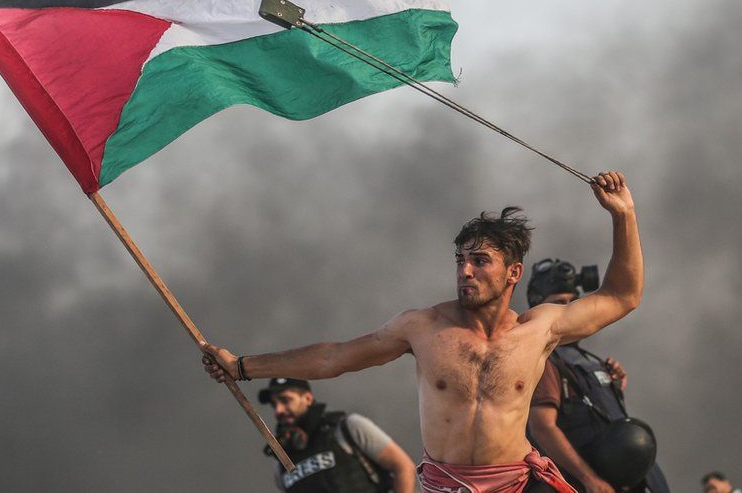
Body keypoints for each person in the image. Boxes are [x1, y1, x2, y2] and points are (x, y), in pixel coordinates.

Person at [202, 171, 641, 493]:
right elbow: (332, 358)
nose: (465, 271)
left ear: (513, 273)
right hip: (446, 484)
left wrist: (624, 215)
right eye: (460, 260)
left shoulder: (539, 327)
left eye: (480, 261)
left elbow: (623, 296)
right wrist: (241, 366)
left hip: (516, 482)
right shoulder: (423, 326)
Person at [526, 259, 669, 493]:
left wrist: (609, 385)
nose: (569, 311)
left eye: (573, 302)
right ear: (537, 307)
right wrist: (590, 479)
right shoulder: (543, 360)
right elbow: (542, 427)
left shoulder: (585, 358)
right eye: (559, 304)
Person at [239, 376, 416, 492]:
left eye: (285, 400)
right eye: (274, 404)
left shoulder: (348, 427)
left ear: (307, 398)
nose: (279, 410)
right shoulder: (281, 461)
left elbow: (403, 467)